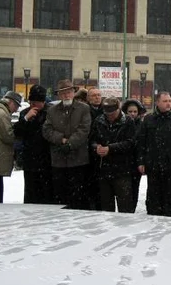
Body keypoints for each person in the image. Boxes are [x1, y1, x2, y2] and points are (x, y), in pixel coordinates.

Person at [42, 79, 92, 209]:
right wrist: (61, 139)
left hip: (78, 159)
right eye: (63, 93)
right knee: (60, 196)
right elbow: (46, 130)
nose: (66, 95)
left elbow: (84, 130)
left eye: (69, 92)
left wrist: (70, 144)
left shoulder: (84, 109)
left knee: (78, 195)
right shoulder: (52, 111)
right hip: (58, 160)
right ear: (58, 95)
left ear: (74, 92)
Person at [136, 91, 171, 216]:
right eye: (165, 101)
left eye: (169, 101)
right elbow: (142, 141)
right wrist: (141, 161)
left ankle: (169, 216)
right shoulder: (149, 119)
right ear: (157, 102)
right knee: (154, 194)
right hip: (153, 164)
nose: (169, 104)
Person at [89, 97, 137, 212]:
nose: (110, 116)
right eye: (107, 113)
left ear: (119, 109)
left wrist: (110, 148)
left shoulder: (128, 121)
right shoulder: (99, 120)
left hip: (122, 169)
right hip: (104, 169)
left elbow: (131, 143)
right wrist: (97, 147)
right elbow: (91, 140)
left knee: (125, 206)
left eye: (112, 113)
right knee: (106, 206)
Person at [13, 84, 53, 204]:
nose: (34, 105)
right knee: (31, 193)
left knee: (47, 193)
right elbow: (17, 133)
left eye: (37, 102)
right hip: (30, 159)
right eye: (32, 102)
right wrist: (26, 118)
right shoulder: (25, 113)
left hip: (47, 158)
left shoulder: (51, 112)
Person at [0, 91, 22, 203]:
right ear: (10, 102)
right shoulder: (1, 114)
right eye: (16, 105)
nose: (16, 109)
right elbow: (8, 136)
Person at [122, 98, 145, 211]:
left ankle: (132, 208)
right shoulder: (122, 123)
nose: (132, 114)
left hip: (136, 161)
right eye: (130, 111)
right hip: (124, 161)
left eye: (135, 111)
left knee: (134, 188)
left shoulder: (141, 125)